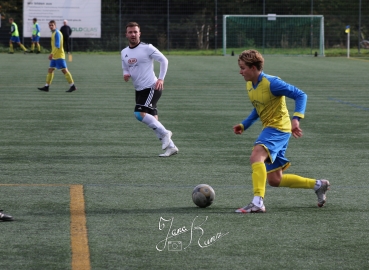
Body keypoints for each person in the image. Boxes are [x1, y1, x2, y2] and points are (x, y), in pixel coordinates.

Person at [233, 49, 330, 213]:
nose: (240, 71)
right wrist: (244, 125)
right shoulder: (250, 85)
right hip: (272, 128)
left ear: (254, 68)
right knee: (274, 180)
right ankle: (319, 185)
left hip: (278, 128)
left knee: (257, 154)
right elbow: (259, 108)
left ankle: (257, 202)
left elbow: (301, 95)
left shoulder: (272, 83)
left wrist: (296, 119)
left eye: (243, 68)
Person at [121, 22, 178, 157]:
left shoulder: (147, 48)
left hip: (152, 87)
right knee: (154, 120)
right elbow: (125, 66)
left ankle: (165, 133)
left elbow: (164, 60)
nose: (133, 34)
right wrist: (125, 73)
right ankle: (171, 147)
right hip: (139, 89)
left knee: (138, 114)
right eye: (130, 32)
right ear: (126, 34)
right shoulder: (124, 52)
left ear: (139, 33)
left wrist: (161, 78)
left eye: (135, 32)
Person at [38, 20, 77, 93]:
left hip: (59, 56)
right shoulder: (54, 33)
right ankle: (46, 86)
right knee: (50, 70)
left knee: (64, 70)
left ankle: (72, 86)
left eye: (52, 25)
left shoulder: (57, 33)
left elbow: (57, 45)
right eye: (50, 25)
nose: (51, 26)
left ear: (55, 25)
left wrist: (52, 54)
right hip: (55, 56)